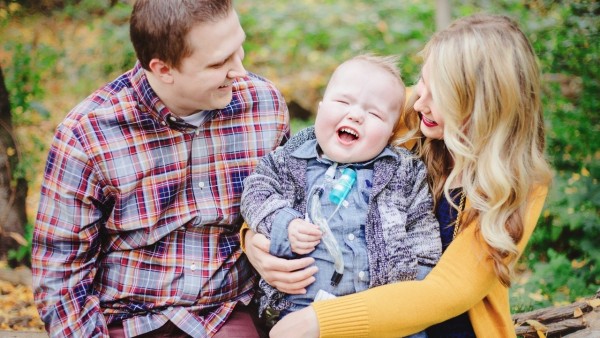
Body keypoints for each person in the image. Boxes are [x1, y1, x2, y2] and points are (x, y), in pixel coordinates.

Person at [243, 13, 553, 337]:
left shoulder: (519, 185)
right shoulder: (404, 112)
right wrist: (255, 240)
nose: (420, 100)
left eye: (440, 95)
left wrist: (321, 320)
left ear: (482, 110)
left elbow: (446, 292)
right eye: (423, 81)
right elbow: (306, 159)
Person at [31, 0, 289, 337]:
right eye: (219, 62)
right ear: (163, 69)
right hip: (125, 318)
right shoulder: (88, 134)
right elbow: (60, 272)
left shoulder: (264, 107)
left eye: (238, 49)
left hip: (223, 313)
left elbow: (288, 206)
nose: (240, 71)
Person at [240, 54, 441, 337]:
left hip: (382, 320)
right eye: (343, 102)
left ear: (390, 133)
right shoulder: (289, 160)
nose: (356, 115)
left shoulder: (404, 173)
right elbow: (256, 192)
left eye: (374, 114)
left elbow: (423, 236)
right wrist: (283, 224)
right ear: (320, 109)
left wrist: (411, 293)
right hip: (299, 312)